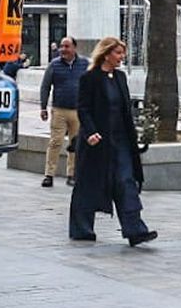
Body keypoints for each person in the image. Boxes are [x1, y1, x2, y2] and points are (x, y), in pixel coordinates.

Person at [68, 37, 157, 246]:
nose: (121, 57)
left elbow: (125, 110)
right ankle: (81, 228)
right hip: (97, 143)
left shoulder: (120, 77)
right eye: (118, 53)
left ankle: (135, 230)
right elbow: (83, 108)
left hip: (121, 141)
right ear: (106, 54)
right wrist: (90, 132)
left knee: (126, 182)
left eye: (122, 53)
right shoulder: (90, 78)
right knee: (88, 184)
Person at [38, 37, 88, 188]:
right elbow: (45, 86)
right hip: (59, 110)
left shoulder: (84, 64)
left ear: (74, 48)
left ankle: (72, 175)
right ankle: (49, 175)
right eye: (61, 46)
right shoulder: (54, 64)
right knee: (55, 142)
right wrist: (43, 107)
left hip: (78, 111)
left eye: (66, 46)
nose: (63, 49)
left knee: (75, 144)